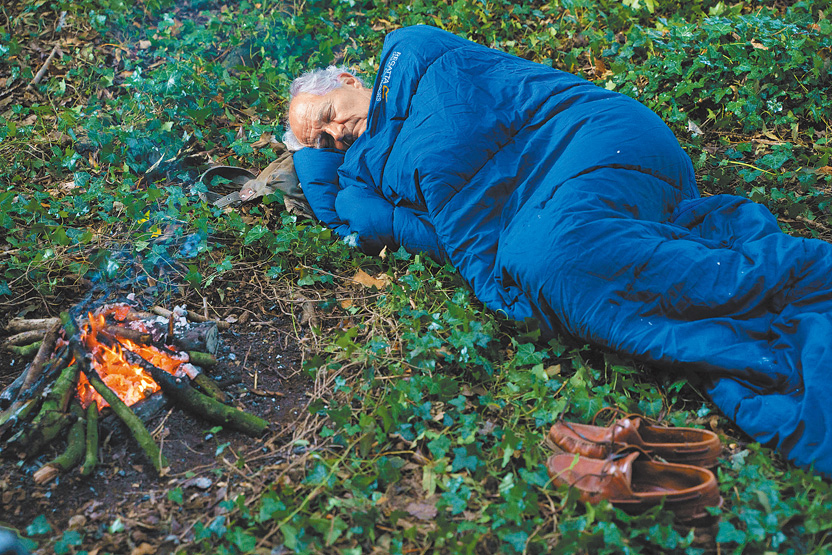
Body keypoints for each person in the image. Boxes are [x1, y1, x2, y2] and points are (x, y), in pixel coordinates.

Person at [282, 25, 832, 477]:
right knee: (545, 259)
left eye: (328, 112)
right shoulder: (360, 182)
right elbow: (405, 225)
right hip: (539, 203)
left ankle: (784, 281)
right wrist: (307, 152)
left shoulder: (412, 55)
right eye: (323, 140)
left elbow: (464, 115)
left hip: (590, 135)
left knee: (553, 253)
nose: (336, 132)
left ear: (351, 78)